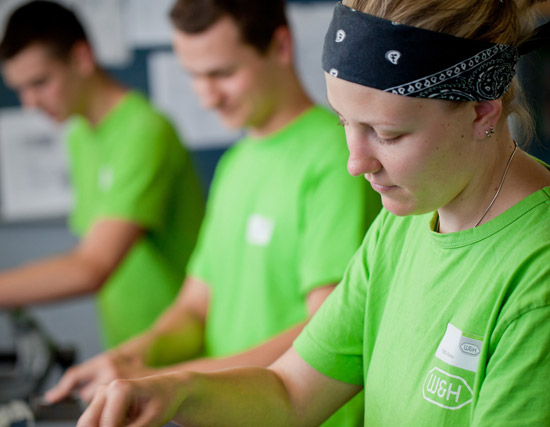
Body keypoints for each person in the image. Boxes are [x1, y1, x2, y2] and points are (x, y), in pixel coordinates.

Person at [74, 0, 550, 426]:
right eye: (344, 121)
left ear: (481, 110)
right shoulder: (402, 222)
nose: (355, 163)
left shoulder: (537, 274)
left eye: (387, 134)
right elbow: (290, 392)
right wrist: (175, 392)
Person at [46, 0, 381, 426]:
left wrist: (172, 382)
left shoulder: (337, 158)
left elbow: (326, 330)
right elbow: (194, 308)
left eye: (222, 73)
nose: (207, 97)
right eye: (194, 76)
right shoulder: (235, 164)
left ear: (280, 47)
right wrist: (127, 359)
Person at [0, 1, 205, 348]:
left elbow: (92, 266)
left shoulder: (144, 131)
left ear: (81, 58)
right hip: (127, 350)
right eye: (20, 89)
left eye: (40, 82)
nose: (29, 102)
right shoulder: (79, 135)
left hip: (181, 352)